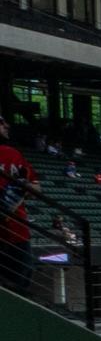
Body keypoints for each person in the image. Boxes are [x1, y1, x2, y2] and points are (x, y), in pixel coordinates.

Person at [0, 121, 38, 296]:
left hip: (18, 230)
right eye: (1, 123)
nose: (7, 126)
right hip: (12, 230)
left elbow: (36, 187)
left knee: (20, 286)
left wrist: (22, 189)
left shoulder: (14, 154)